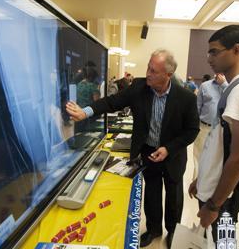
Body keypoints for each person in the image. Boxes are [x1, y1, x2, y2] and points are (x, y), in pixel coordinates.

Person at [66, 49, 200, 248]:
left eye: (154, 71)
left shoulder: (186, 97)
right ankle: (154, 229)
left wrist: (168, 148)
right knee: (152, 193)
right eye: (148, 67)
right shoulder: (139, 87)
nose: (148, 73)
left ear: (168, 75)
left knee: (174, 196)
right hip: (148, 152)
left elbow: (191, 130)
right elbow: (112, 102)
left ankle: (173, 232)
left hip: (172, 156)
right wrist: (85, 113)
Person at [188, 25, 239, 243]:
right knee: (217, 241)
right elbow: (220, 144)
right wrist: (202, 179)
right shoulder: (234, 87)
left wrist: (214, 204)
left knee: (224, 242)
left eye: (215, 51)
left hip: (224, 196)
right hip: (215, 188)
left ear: (237, 50)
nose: (209, 57)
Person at [193, 73, 228, 179]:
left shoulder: (230, 87)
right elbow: (197, 108)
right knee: (198, 157)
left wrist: (224, 85)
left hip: (221, 129)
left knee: (215, 160)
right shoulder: (205, 86)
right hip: (203, 127)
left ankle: (209, 186)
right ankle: (197, 185)